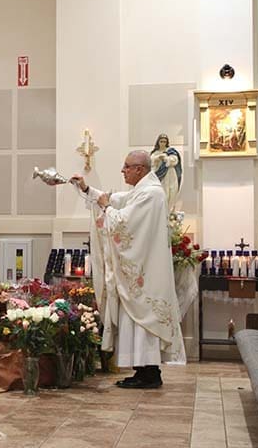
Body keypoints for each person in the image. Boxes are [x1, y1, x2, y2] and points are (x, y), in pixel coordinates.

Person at [69, 151, 183, 389]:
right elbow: (117, 200)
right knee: (137, 318)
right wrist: (87, 189)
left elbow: (123, 223)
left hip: (147, 272)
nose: (123, 170)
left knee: (144, 318)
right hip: (142, 270)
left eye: (126, 167)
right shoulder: (142, 192)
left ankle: (150, 373)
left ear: (139, 169)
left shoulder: (151, 194)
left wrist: (106, 208)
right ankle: (143, 371)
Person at [150, 133, 182, 211]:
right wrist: (158, 158)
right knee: (162, 192)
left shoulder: (170, 151)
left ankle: (169, 209)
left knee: (171, 191)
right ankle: (161, 210)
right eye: (161, 141)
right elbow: (151, 161)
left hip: (170, 174)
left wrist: (166, 159)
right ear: (158, 142)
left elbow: (175, 160)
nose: (163, 143)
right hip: (160, 176)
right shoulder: (155, 152)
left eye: (164, 141)